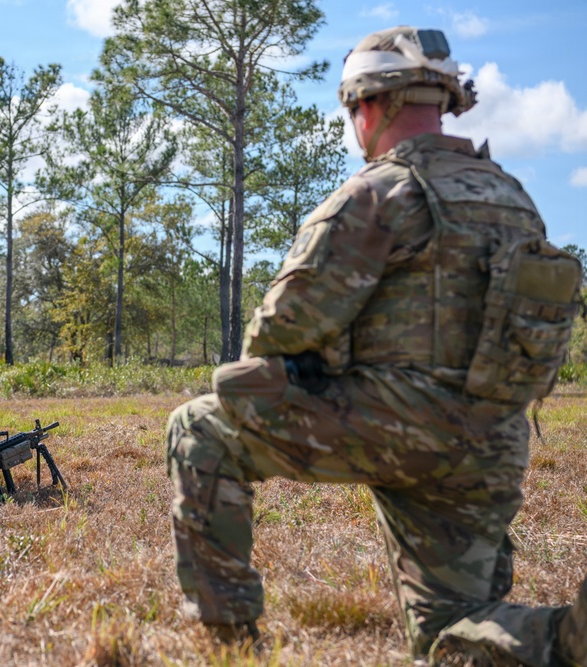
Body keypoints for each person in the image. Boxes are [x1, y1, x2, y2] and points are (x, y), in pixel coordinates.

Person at [165, 26, 585, 666]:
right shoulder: (513, 200)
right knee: (452, 631)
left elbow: (275, 335)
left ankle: (228, 644)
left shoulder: (376, 194)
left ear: (367, 106)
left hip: (394, 429)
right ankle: (566, 639)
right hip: (493, 445)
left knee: (201, 425)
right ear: (441, 100)